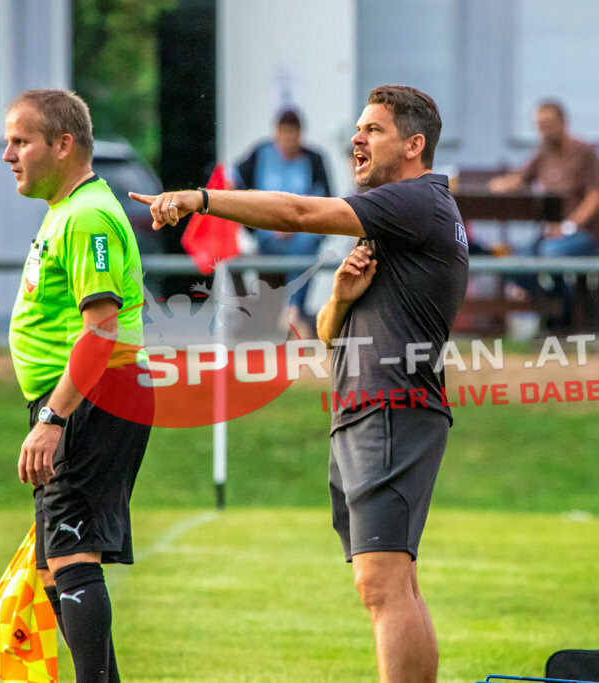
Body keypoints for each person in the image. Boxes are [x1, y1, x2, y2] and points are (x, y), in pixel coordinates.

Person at [132, 84, 468, 683]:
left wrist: (202, 199)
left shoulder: (417, 201)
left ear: (415, 146)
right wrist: (339, 296)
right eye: (358, 128)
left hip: (392, 408)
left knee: (382, 584)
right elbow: (329, 337)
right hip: (366, 408)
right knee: (394, 585)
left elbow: (298, 214)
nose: (356, 139)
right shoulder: (396, 220)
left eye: (375, 130)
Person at [3, 89, 151, 681]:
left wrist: (53, 419)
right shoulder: (64, 209)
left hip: (92, 399)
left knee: (70, 554)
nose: (8, 155)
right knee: (57, 564)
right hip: (78, 400)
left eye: (21, 141)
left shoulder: (88, 216)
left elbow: (103, 330)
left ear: (63, 145)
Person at [488, 100, 599, 324]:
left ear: (563, 121)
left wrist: (568, 227)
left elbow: (594, 198)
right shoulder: (543, 154)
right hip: (546, 236)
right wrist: (501, 184)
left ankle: (563, 310)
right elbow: (522, 178)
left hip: (583, 235)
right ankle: (555, 302)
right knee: (509, 261)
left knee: (549, 254)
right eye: (540, 126)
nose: (545, 131)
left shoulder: (585, 153)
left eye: (549, 124)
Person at [233, 109, 333, 335]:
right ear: (277, 135)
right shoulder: (260, 154)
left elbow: (325, 202)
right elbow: (235, 187)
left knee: (307, 245)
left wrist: (296, 224)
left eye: (293, 137)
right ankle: (293, 313)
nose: (288, 143)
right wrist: (254, 226)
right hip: (268, 235)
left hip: (301, 233)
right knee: (303, 255)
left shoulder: (313, 160)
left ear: (301, 136)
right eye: (284, 137)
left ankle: (292, 310)